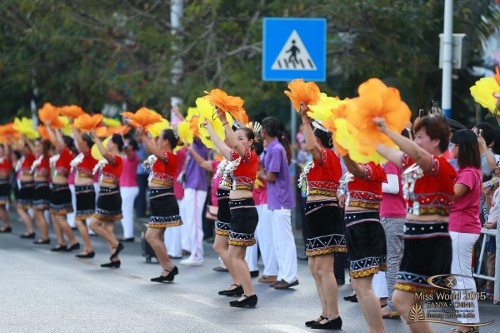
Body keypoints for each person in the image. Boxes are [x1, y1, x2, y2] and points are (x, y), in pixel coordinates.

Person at [374, 114, 456, 333]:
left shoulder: (441, 165)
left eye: (420, 136)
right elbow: (387, 151)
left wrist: (387, 130)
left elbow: (418, 152)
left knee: (401, 301)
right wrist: (359, 132)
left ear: (436, 141)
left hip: (431, 242)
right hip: (416, 241)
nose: (416, 141)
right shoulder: (414, 164)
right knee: (415, 304)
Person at [204, 109, 259, 308]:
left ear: (251, 142)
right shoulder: (236, 158)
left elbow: (233, 144)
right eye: (237, 138)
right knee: (238, 256)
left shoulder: (250, 157)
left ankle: (249, 293)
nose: (237, 141)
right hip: (238, 210)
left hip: (244, 210)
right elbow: (222, 146)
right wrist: (210, 127)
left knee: (236, 256)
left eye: (242, 138)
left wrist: (224, 121)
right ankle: (246, 292)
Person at [299, 103, 344, 330]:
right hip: (314, 213)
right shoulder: (320, 158)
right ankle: (325, 313)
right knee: (314, 267)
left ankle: (334, 315)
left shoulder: (328, 156)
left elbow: (311, 147)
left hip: (325, 212)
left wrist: (305, 119)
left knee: (325, 268)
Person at [341, 153, 387, 333]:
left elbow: (357, 170)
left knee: (363, 286)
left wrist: (343, 151)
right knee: (359, 286)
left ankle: (378, 331)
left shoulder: (374, 163)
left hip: (365, 226)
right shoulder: (363, 161)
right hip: (357, 225)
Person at [257, 116, 298, 289]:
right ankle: (284, 275)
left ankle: (289, 276)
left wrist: (260, 174)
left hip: (280, 199)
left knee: (284, 241)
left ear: (265, 132)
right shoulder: (273, 148)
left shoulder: (275, 149)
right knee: (279, 240)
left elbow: (271, 176)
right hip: (276, 200)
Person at [138, 127, 182, 282]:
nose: (156, 141)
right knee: (157, 237)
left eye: (159, 138)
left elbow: (154, 150)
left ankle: (169, 266)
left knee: (151, 237)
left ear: (165, 141)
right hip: (158, 200)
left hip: (164, 201)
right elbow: (151, 149)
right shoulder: (159, 157)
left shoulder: (170, 156)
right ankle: (166, 270)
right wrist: (143, 136)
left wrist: (144, 136)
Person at [449, 129, 482, 332]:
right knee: (460, 276)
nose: (451, 148)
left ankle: (468, 325)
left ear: (463, 148)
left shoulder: (469, 172)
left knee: (461, 277)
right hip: (460, 227)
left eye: (454, 145)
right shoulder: (467, 171)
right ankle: (467, 323)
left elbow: (452, 194)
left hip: (462, 228)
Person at [379, 131, 408, 320]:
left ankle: (393, 305)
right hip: (399, 214)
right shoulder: (403, 159)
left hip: (392, 214)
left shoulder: (391, 160)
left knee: (393, 261)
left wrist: (372, 182)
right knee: (396, 260)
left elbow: (393, 186)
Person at [89, 133, 125, 268]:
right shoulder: (112, 159)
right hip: (105, 195)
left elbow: (104, 153)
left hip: (110, 196)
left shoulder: (116, 158)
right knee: (107, 228)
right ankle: (115, 259)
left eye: (109, 142)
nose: (107, 144)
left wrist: (96, 138)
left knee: (93, 225)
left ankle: (116, 244)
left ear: (115, 144)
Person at [46, 126, 80, 252]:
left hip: (61, 189)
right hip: (56, 188)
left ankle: (73, 241)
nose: (57, 145)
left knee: (60, 218)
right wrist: (49, 128)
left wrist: (53, 128)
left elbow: (57, 142)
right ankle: (61, 242)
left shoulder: (67, 155)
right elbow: (56, 142)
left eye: (61, 143)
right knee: (55, 217)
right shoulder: (60, 156)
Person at [179, 137, 209, 266]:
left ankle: (197, 255)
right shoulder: (192, 144)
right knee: (190, 221)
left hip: (196, 187)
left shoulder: (201, 143)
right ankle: (194, 252)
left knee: (195, 222)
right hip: (190, 186)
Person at [71, 128, 98, 258]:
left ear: (85, 142)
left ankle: (90, 248)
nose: (77, 143)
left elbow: (80, 143)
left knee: (84, 221)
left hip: (86, 190)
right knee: (80, 221)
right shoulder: (81, 155)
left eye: (80, 141)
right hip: (80, 191)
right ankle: (88, 248)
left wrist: (72, 125)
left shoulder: (89, 153)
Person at [31, 138, 52, 245]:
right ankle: (43, 236)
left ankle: (45, 237)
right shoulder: (39, 158)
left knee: (39, 212)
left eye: (39, 146)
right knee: (37, 212)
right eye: (36, 146)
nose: (37, 148)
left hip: (43, 187)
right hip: (38, 186)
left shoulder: (47, 157)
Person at [120, 137, 140, 242]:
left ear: (131, 146)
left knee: (126, 212)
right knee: (126, 211)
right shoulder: (126, 156)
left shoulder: (132, 155)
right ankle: (127, 234)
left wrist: (122, 143)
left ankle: (128, 235)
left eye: (128, 144)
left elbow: (127, 151)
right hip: (126, 186)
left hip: (129, 187)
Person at [16, 140, 36, 238]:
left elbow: (23, 150)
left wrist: (26, 139)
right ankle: (29, 229)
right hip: (25, 186)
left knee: (20, 208)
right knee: (24, 209)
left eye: (24, 146)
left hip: (28, 186)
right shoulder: (24, 159)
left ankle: (30, 230)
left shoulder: (31, 156)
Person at [0, 142, 12, 233]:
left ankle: (6, 225)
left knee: (1, 206)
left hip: (4, 185)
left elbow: (8, 153)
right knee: (2, 207)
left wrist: (5, 139)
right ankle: (6, 224)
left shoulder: (6, 159)